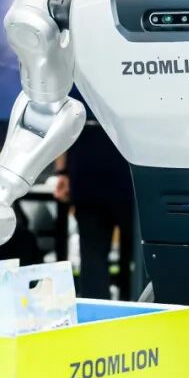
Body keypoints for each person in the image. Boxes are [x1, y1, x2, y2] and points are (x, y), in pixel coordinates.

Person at [53, 91, 135, 300]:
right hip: (127, 164)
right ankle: (136, 308)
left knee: (92, 255)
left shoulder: (74, 76)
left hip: (87, 162)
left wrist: (62, 172)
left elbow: (60, 126)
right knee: (135, 255)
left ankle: (97, 312)